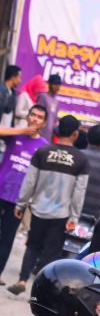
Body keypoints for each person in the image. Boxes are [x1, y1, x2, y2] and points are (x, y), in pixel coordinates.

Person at [8, 115, 88, 296]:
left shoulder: (43, 152)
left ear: (59, 130)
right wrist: (74, 217)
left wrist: (21, 204)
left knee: (33, 245)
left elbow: (30, 182)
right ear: (75, 134)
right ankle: (38, 291)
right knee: (50, 253)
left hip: (38, 210)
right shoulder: (80, 160)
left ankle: (22, 279)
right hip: (61, 214)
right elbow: (79, 191)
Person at [0, 104, 47, 279]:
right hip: (0, 189)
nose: (35, 119)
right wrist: (20, 131)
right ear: (27, 117)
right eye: (33, 115)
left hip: (18, 199)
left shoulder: (43, 147)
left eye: (39, 117)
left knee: (7, 237)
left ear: (44, 123)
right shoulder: (15, 135)